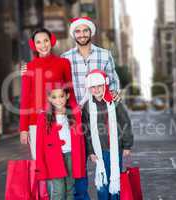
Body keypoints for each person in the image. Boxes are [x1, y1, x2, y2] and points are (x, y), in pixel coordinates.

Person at [61, 17, 121, 199]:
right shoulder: (65, 58)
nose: (82, 34)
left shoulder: (104, 55)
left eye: (85, 30)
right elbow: (61, 87)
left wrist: (114, 96)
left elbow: (114, 83)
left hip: (100, 116)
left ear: (91, 32)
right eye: (77, 31)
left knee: (106, 159)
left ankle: (111, 192)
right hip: (75, 117)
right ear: (73, 34)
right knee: (78, 165)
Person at [19, 28, 77, 160]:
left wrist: (73, 116)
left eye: (45, 40)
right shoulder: (29, 67)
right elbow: (25, 98)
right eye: (38, 42)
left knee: (62, 161)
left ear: (51, 41)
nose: (43, 45)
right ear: (34, 45)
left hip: (60, 118)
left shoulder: (63, 63)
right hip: (35, 121)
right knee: (41, 163)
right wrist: (23, 128)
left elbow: (70, 91)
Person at [81, 69, 133, 200]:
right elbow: (86, 131)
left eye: (99, 86)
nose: (97, 89)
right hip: (99, 151)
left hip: (116, 149)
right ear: (89, 88)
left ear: (105, 85)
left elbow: (125, 122)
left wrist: (127, 145)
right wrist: (90, 151)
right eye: (93, 87)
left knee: (115, 178)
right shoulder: (87, 106)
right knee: (102, 181)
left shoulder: (114, 102)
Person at [36, 83, 86, 200]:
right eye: (54, 97)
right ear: (49, 98)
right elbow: (39, 144)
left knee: (70, 188)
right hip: (53, 158)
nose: (58, 100)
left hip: (71, 156)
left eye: (61, 96)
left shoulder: (74, 114)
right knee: (59, 191)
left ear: (67, 96)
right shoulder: (44, 117)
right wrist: (41, 163)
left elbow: (80, 139)